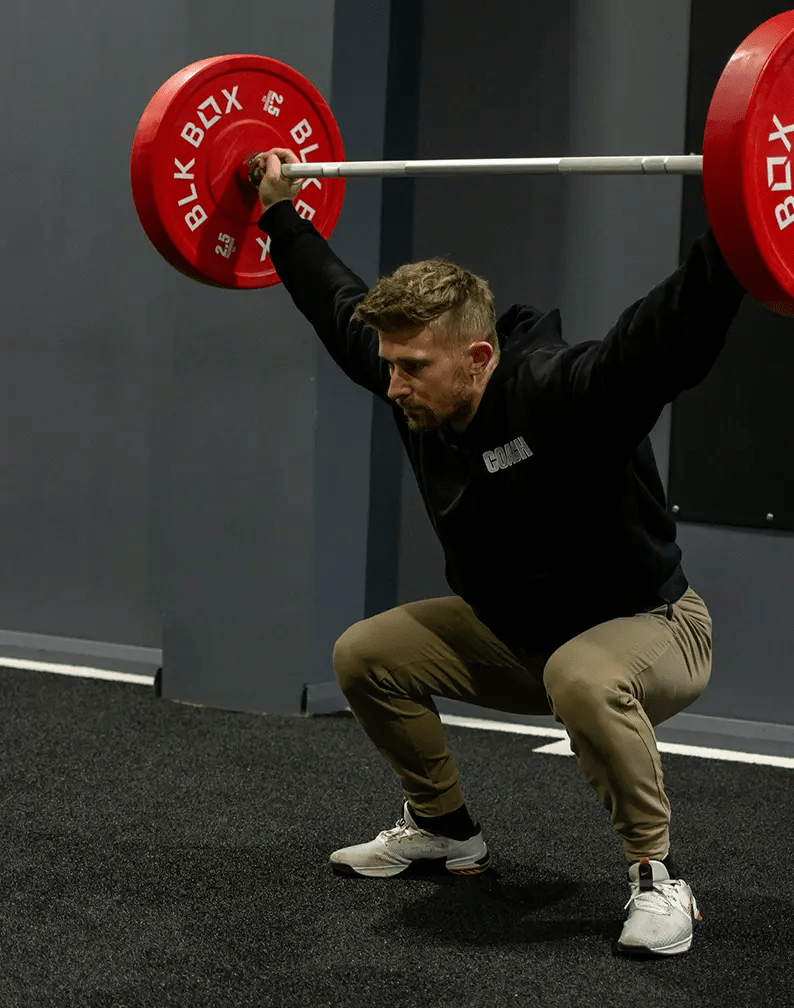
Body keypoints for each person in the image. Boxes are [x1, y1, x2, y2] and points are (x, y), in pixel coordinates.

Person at [254, 147, 746, 957]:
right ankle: (446, 831)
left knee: (582, 676)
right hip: (520, 635)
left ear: (478, 357)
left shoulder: (559, 392)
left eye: (413, 368)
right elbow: (334, 298)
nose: (395, 386)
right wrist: (278, 212)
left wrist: (737, 234)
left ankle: (660, 878)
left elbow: (663, 339)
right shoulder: (406, 380)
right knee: (366, 655)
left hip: (651, 627)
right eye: (389, 367)